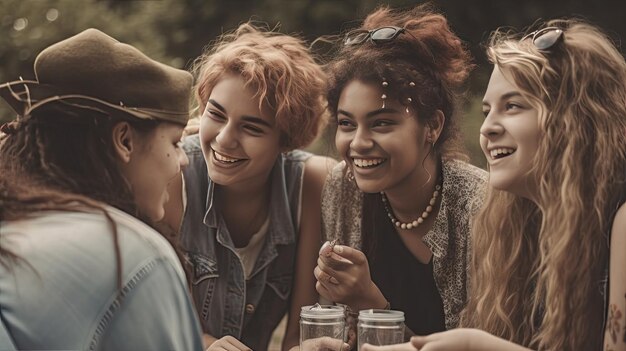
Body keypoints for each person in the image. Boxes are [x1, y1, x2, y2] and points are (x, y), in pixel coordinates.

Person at [361, 19, 626, 351]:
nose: (487, 129)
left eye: (512, 106)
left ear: (573, 118)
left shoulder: (621, 219)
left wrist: (476, 346)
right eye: (487, 111)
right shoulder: (526, 224)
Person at [0, 29, 203, 350]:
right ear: (124, 140)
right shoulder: (132, 255)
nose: (183, 161)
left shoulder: (15, 218)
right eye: (175, 143)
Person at [315, 3, 487, 340]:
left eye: (381, 123)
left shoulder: (479, 207)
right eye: (347, 124)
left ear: (432, 126)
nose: (358, 143)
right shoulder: (342, 187)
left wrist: (370, 303)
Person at [161, 23, 335, 351]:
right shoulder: (174, 173)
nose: (225, 139)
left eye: (251, 127)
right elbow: (159, 321)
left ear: (286, 140)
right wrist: (206, 344)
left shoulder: (311, 183)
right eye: (216, 114)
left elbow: (302, 331)